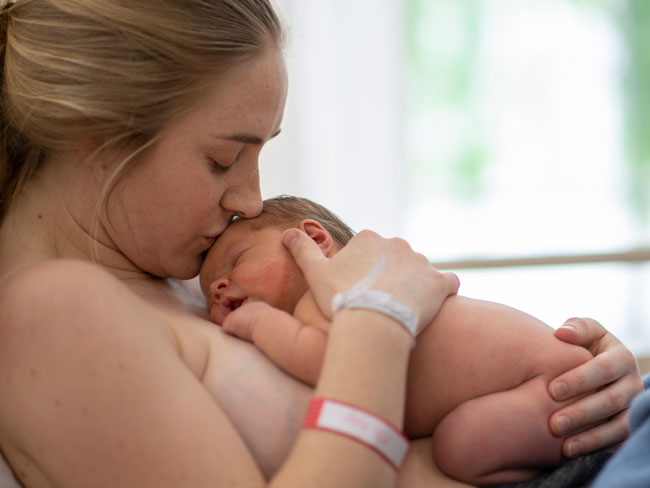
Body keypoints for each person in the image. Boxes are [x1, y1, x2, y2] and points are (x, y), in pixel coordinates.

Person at [0, 2, 642, 488]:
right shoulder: (52, 314)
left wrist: (571, 379)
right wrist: (378, 324)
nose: (249, 200)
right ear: (99, 135)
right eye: (223, 159)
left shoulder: (181, 273)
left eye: (260, 153)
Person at [197, 195, 634, 485]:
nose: (219, 287)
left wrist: (260, 325)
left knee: (459, 446)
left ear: (311, 240)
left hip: (548, 385)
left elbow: (337, 362)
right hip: (549, 380)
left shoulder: (334, 290)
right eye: (210, 289)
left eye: (237, 261)